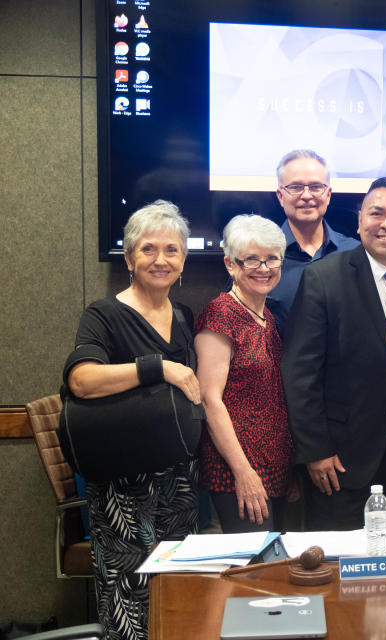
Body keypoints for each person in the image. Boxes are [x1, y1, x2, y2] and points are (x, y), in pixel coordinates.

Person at [281, 177, 386, 531]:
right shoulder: (323, 278)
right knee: (338, 574)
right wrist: (315, 451)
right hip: (339, 463)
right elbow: (301, 373)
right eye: (377, 213)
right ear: (360, 221)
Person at [63, 200, 200, 640]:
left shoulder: (183, 316)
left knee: (180, 589)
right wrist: (157, 367)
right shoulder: (104, 314)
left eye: (172, 250)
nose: (161, 259)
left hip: (178, 479)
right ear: (128, 258)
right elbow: (82, 381)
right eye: (148, 249)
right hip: (123, 485)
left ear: (183, 260)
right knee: (130, 596)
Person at [195, 215, 294, 533]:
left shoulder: (268, 317)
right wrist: (243, 472)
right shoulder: (221, 313)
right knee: (254, 575)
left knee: (276, 569)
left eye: (272, 259)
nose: (264, 268)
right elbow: (209, 400)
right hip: (238, 471)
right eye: (252, 259)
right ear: (230, 264)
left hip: (274, 469)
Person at [265, 150, 360, 336]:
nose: (307, 195)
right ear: (280, 196)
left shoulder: (355, 254)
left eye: (316, 186)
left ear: (328, 194)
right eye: (295, 187)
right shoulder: (257, 256)